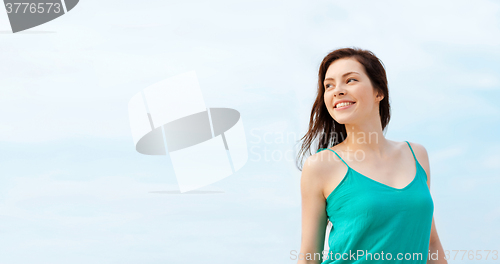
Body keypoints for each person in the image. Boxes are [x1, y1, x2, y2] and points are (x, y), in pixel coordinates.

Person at [295, 47, 447, 263]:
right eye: (329, 85)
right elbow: (310, 256)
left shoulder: (417, 155)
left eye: (350, 80)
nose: (337, 90)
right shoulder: (320, 165)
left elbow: (431, 242)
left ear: (379, 92)